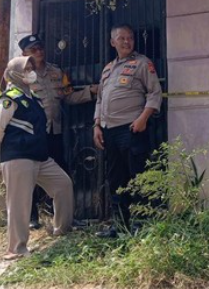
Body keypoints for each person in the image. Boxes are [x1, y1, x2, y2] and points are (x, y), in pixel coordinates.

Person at [0, 56, 74, 260]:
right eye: (26, 69)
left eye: (30, 68)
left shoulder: (32, 97)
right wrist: (5, 150)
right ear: (14, 73)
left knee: (63, 184)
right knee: (20, 203)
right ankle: (17, 249)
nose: (30, 71)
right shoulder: (10, 98)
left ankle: (61, 230)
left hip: (40, 157)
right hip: (18, 158)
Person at [18, 34, 98, 229]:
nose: (39, 52)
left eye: (40, 47)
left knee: (61, 174)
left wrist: (90, 92)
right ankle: (31, 217)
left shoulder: (55, 71)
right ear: (24, 54)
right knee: (31, 174)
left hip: (55, 132)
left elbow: (68, 97)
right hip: (33, 134)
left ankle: (63, 218)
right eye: (33, 49)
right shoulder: (21, 76)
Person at [93, 23, 162, 238]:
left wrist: (143, 118)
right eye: (121, 38)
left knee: (138, 176)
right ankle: (120, 225)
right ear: (112, 42)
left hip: (132, 129)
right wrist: (96, 125)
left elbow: (154, 93)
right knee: (116, 179)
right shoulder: (107, 69)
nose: (126, 42)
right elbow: (100, 99)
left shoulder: (142, 63)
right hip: (108, 131)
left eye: (130, 38)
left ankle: (142, 223)